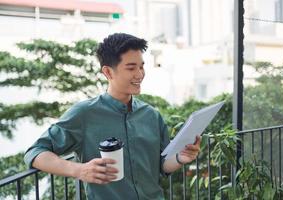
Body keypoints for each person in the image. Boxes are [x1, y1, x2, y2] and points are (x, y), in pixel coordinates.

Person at [24, 33, 200, 200]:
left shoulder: (151, 115)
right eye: (131, 68)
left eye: (141, 66)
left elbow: (162, 165)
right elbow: (35, 152)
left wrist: (180, 158)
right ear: (108, 72)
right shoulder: (84, 114)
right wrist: (78, 170)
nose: (140, 74)